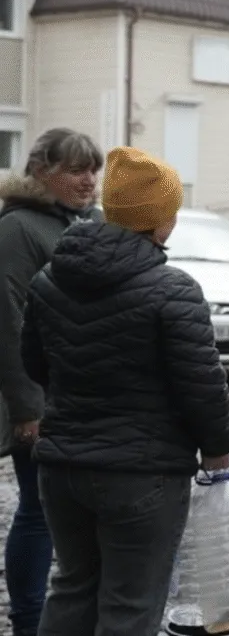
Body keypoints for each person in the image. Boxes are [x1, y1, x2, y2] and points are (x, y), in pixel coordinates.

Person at [20, 146, 229, 636]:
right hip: (143, 476)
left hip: (62, 470)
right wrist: (219, 450)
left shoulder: (49, 278)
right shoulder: (173, 289)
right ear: (156, 219)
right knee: (129, 605)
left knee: (73, 587)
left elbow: (34, 363)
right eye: (172, 212)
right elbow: (202, 385)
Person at [0, 128, 104, 636]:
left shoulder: (91, 223)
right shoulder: (18, 228)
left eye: (93, 169)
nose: (89, 180)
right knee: (39, 509)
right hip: (42, 400)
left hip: (88, 396)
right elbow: (8, 320)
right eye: (76, 169)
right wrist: (26, 408)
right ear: (43, 172)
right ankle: (27, 621)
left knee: (81, 510)